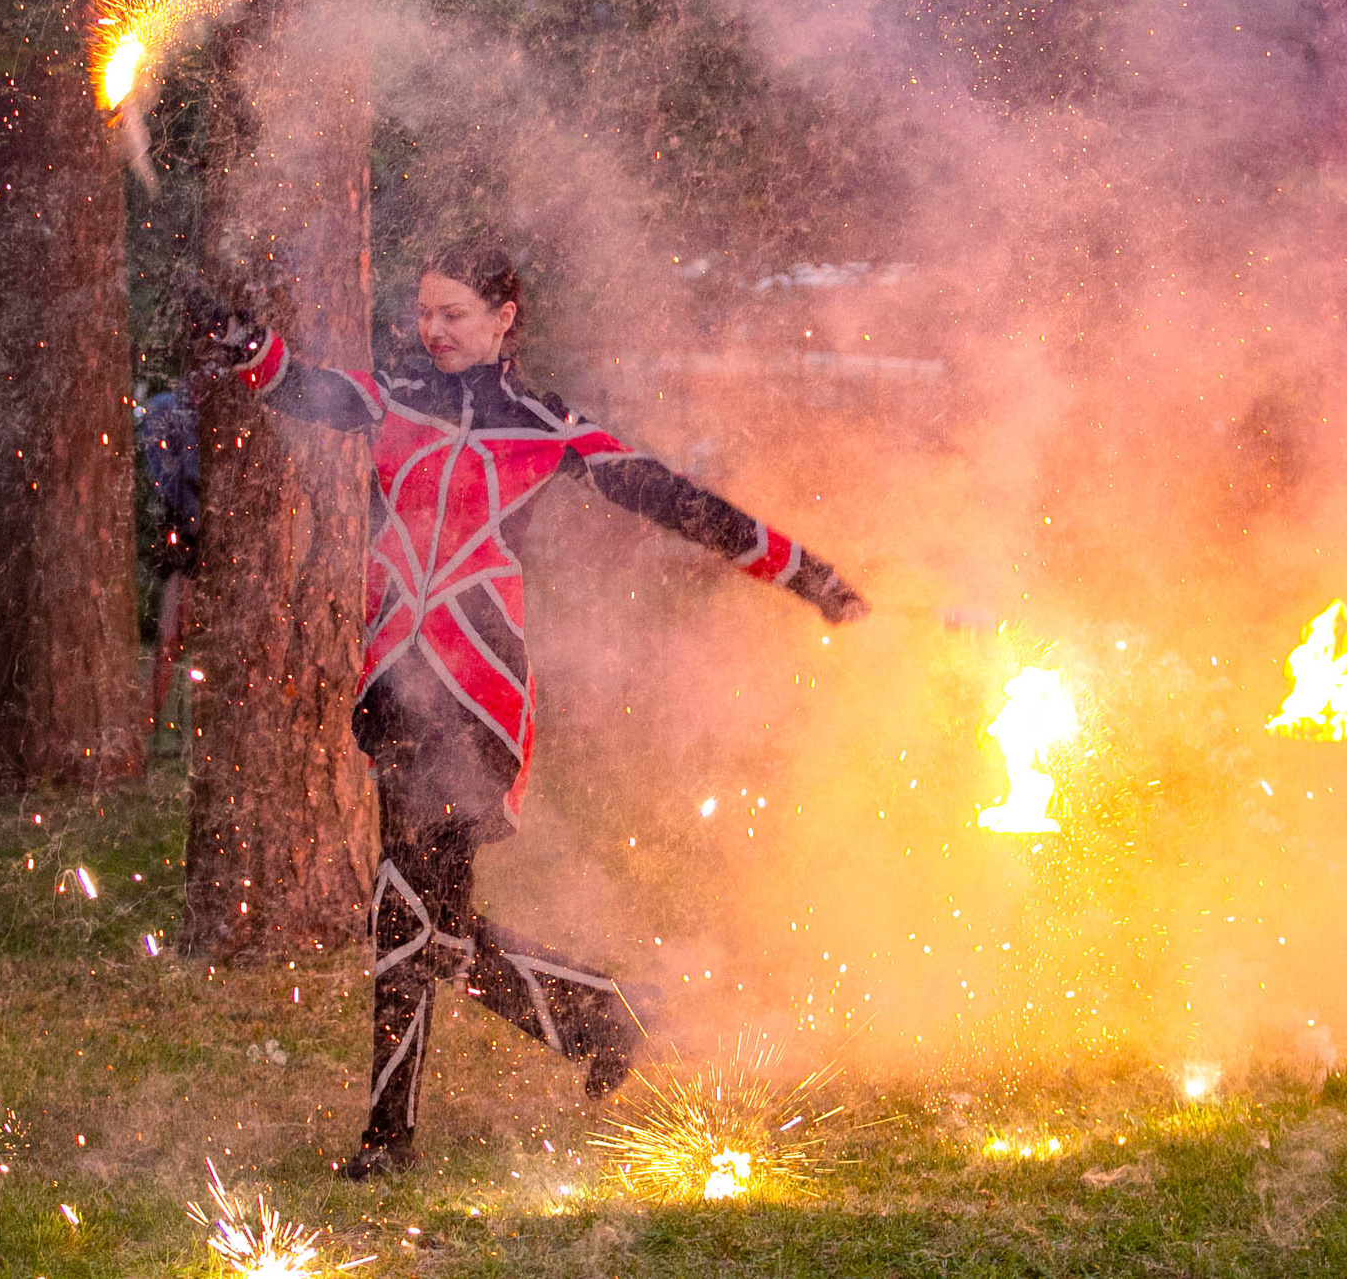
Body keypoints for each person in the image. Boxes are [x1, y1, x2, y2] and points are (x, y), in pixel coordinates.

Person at [200, 239, 870, 1179]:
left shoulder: (546, 425)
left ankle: (390, 1141)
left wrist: (803, 572)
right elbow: (302, 385)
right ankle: (605, 1017)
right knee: (438, 917)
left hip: (476, 690)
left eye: (454, 315)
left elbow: (674, 499)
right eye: (424, 311)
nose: (432, 331)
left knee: (407, 910)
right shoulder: (391, 395)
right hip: (398, 678)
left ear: (504, 317)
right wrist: (241, 339)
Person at [136, 382, 202, 745]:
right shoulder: (165, 410)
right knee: (171, 637)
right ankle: (141, 736)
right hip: (190, 538)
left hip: (212, 530)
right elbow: (168, 483)